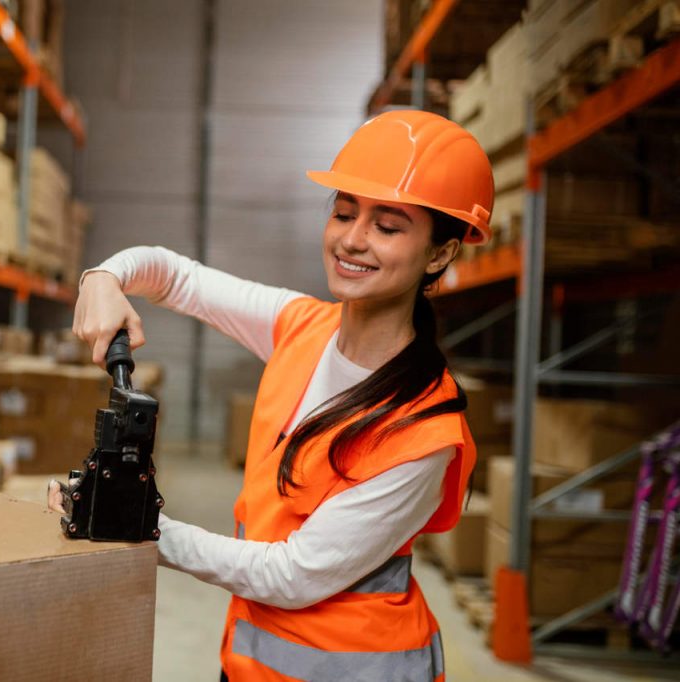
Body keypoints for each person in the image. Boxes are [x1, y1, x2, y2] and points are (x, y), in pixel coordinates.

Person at [49, 110, 494, 682]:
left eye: (387, 227)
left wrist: (142, 525)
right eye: (343, 213)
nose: (352, 239)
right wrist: (104, 278)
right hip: (253, 663)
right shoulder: (302, 327)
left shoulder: (424, 430)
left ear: (439, 254)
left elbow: (293, 575)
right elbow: (177, 277)